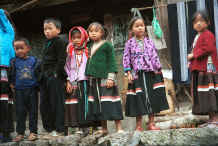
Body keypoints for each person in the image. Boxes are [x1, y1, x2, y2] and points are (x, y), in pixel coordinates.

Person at [123, 17, 169, 131]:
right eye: (136, 26)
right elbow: (126, 58)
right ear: (131, 30)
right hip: (136, 75)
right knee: (138, 99)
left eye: (142, 25)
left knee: (151, 98)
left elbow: (154, 56)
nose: (140, 28)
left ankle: (151, 123)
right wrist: (128, 72)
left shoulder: (149, 41)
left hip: (150, 73)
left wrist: (158, 70)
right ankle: (138, 126)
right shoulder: (129, 43)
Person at [85, 22, 123, 135]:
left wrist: (111, 78)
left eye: (96, 31)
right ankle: (104, 128)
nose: (93, 33)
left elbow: (111, 61)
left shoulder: (107, 45)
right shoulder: (89, 46)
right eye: (91, 31)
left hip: (106, 79)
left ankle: (119, 127)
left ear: (102, 33)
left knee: (111, 102)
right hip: (94, 80)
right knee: (98, 104)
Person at [64, 26, 100, 135]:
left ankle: (92, 125)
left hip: (87, 80)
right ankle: (80, 126)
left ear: (84, 37)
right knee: (77, 104)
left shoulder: (88, 49)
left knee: (88, 102)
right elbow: (67, 67)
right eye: (74, 38)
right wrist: (68, 80)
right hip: (75, 81)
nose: (76, 40)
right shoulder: (70, 51)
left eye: (79, 37)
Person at [188, 10, 218, 125]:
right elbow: (196, 50)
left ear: (208, 22)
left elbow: (208, 48)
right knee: (204, 92)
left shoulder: (208, 34)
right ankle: (211, 118)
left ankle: (215, 118)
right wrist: (191, 60)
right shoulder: (197, 36)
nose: (198, 24)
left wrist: (193, 55)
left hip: (208, 68)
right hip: (201, 68)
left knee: (210, 92)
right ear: (193, 25)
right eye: (195, 22)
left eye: (201, 21)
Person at [9, 38, 40, 142]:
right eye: (16, 49)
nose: (19, 51)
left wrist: (38, 85)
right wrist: (11, 83)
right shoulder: (13, 61)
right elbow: (11, 74)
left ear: (28, 48)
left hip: (32, 90)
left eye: (21, 48)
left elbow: (39, 73)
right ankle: (20, 133)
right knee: (20, 112)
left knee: (33, 111)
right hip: (19, 91)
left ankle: (33, 132)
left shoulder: (34, 60)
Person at [40, 18, 67, 137]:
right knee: (45, 103)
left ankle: (60, 128)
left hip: (55, 76)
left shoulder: (59, 41)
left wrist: (56, 73)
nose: (47, 31)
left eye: (50, 28)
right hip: (45, 77)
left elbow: (61, 59)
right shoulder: (46, 43)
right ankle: (49, 128)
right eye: (45, 29)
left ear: (58, 30)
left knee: (56, 102)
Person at [0, 9, 15, 143]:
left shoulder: (8, 34)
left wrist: (1, 12)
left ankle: (5, 132)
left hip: (4, 72)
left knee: (4, 103)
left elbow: (5, 21)